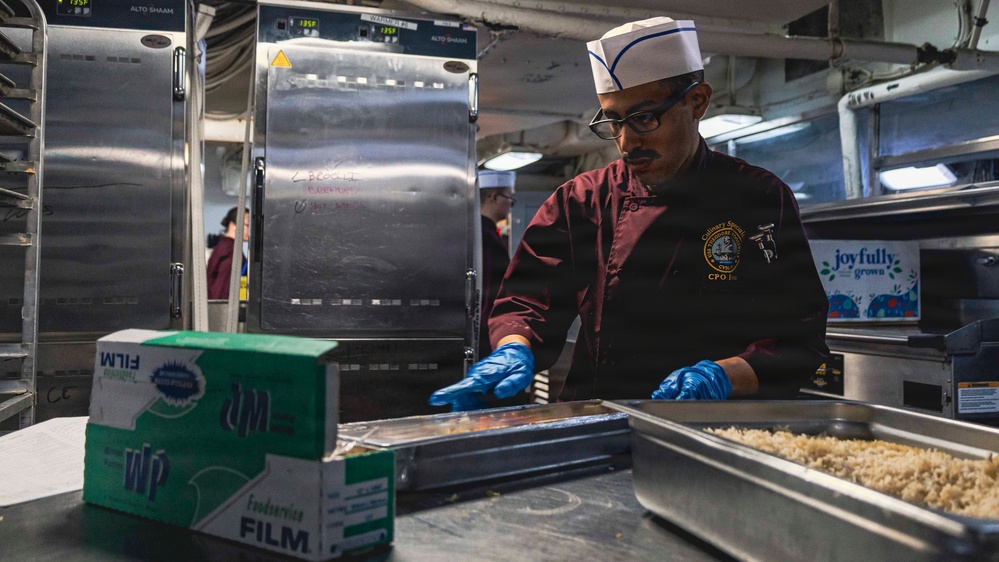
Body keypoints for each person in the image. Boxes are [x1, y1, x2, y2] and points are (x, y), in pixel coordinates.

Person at [429, 17, 829, 410]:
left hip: (717, 429)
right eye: (613, 121)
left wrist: (723, 377)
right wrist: (514, 350)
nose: (626, 141)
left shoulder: (759, 198)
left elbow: (797, 337)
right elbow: (527, 301)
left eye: (643, 118)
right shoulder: (581, 202)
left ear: (698, 101)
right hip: (600, 418)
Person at [478, 170, 516, 356]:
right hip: (487, 339)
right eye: (510, 198)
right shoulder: (487, 238)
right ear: (494, 197)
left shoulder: (481, 233)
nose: (511, 204)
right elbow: (488, 296)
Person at [207, 206, 249, 299]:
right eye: (247, 225)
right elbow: (222, 288)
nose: (250, 230)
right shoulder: (228, 250)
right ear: (232, 225)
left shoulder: (228, 247)